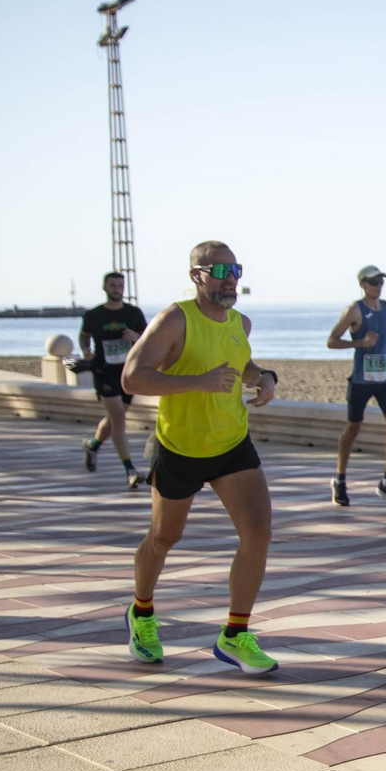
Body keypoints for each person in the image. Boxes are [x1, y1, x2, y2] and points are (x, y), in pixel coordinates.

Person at [119, 241, 281, 676]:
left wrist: (263, 377)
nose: (231, 278)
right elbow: (132, 377)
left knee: (259, 533)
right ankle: (143, 613)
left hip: (232, 444)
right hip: (180, 448)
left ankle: (234, 635)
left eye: (236, 269)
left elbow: (240, 366)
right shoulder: (175, 319)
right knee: (163, 539)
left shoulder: (239, 323)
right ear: (197, 275)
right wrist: (198, 381)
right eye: (222, 269)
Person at [325, 265, 386, 507]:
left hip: (385, 380)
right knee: (352, 430)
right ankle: (339, 480)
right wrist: (359, 342)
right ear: (362, 284)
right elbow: (331, 341)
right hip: (361, 381)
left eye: (381, 281)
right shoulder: (354, 310)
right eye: (373, 282)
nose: (378, 286)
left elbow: (385, 328)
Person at [78, 272, 148, 488]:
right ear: (105, 287)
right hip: (104, 372)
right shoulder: (94, 314)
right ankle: (130, 470)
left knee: (117, 416)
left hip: (127, 372)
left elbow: (148, 338)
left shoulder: (133, 313)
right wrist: (85, 349)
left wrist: (135, 338)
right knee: (118, 419)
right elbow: (84, 334)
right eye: (113, 285)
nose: (117, 289)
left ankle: (93, 445)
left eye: (120, 285)